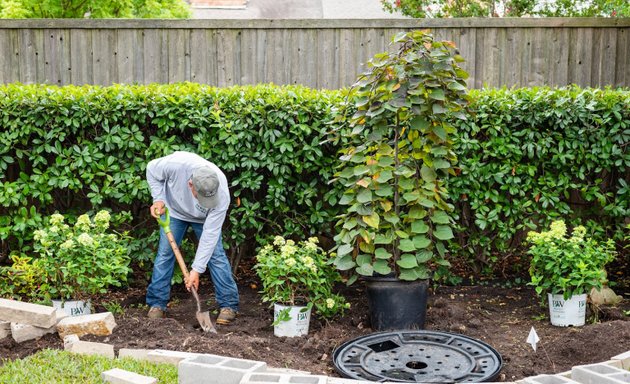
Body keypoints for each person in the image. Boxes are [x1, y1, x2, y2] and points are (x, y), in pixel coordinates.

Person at [145, 150, 239, 325]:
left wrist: (196, 270)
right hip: (174, 212)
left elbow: (210, 236)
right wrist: (158, 199)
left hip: (204, 220)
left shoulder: (222, 192)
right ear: (190, 185)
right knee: (165, 254)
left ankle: (229, 305)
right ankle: (157, 304)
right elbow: (151, 169)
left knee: (216, 256)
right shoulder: (176, 165)